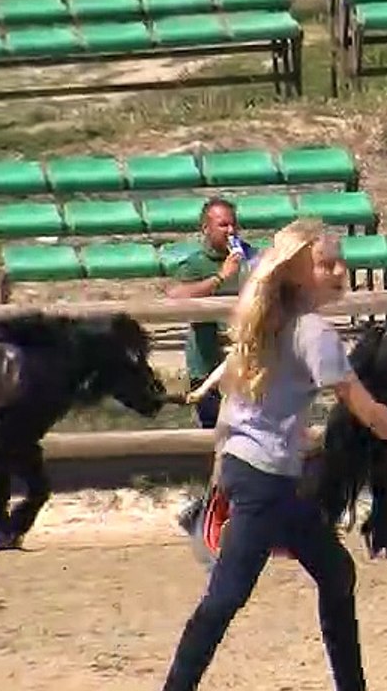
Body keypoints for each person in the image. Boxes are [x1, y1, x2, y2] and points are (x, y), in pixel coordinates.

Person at [161, 219, 387, 691]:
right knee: (226, 597)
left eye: (340, 259)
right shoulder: (312, 333)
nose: (340, 269)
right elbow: (372, 415)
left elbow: (234, 407)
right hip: (266, 482)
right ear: (299, 272)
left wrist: (231, 467)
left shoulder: (264, 319)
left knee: (335, 573)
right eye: (326, 263)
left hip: (259, 475)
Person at [169, 198, 254, 538]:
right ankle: (207, 512)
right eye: (223, 225)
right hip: (208, 367)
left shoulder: (250, 257)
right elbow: (176, 297)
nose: (230, 230)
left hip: (247, 367)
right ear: (205, 228)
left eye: (233, 223)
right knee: (218, 443)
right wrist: (221, 277)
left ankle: (227, 511)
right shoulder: (196, 263)